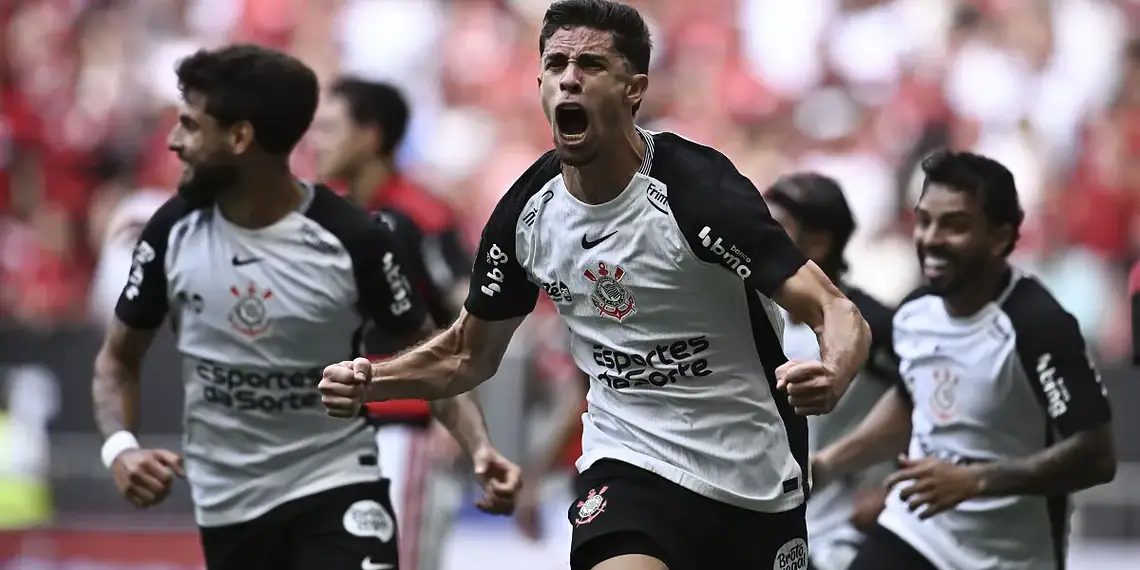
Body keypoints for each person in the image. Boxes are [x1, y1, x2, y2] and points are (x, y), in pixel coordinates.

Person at [320, 1, 874, 569]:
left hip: (751, 472)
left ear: (634, 89)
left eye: (590, 65)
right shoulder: (527, 215)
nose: (569, 79)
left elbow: (834, 310)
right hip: (628, 464)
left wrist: (833, 373)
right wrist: (374, 378)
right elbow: (468, 352)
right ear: (538, 83)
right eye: (556, 64)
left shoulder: (698, 191)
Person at [90, 44, 520, 570]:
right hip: (230, 500)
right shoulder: (169, 232)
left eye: (189, 125)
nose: (174, 142)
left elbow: (434, 353)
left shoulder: (356, 236)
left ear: (240, 138)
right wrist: (120, 447)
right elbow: (117, 361)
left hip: (339, 482)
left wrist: (477, 445)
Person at [811, 150, 1117, 570]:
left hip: (1008, 557)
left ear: (1000, 237)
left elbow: (1095, 455)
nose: (931, 238)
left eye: (954, 225)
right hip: (918, 529)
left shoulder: (1038, 326)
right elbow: (910, 399)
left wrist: (977, 480)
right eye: (925, 220)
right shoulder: (916, 310)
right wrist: (827, 464)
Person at [310, 76, 475, 570]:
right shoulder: (322, 216)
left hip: (405, 426)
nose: (316, 140)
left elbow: (472, 314)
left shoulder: (422, 214)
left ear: (370, 136)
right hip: (332, 430)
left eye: (329, 128)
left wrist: (457, 418)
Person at [764, 173, 898, 570]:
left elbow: (934, 406)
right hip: (767, 527)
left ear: (819, 242)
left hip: (845, 534)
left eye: (777, 228)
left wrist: (893, 491)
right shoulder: (752, 316)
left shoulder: (875, 327)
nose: (760, 238)